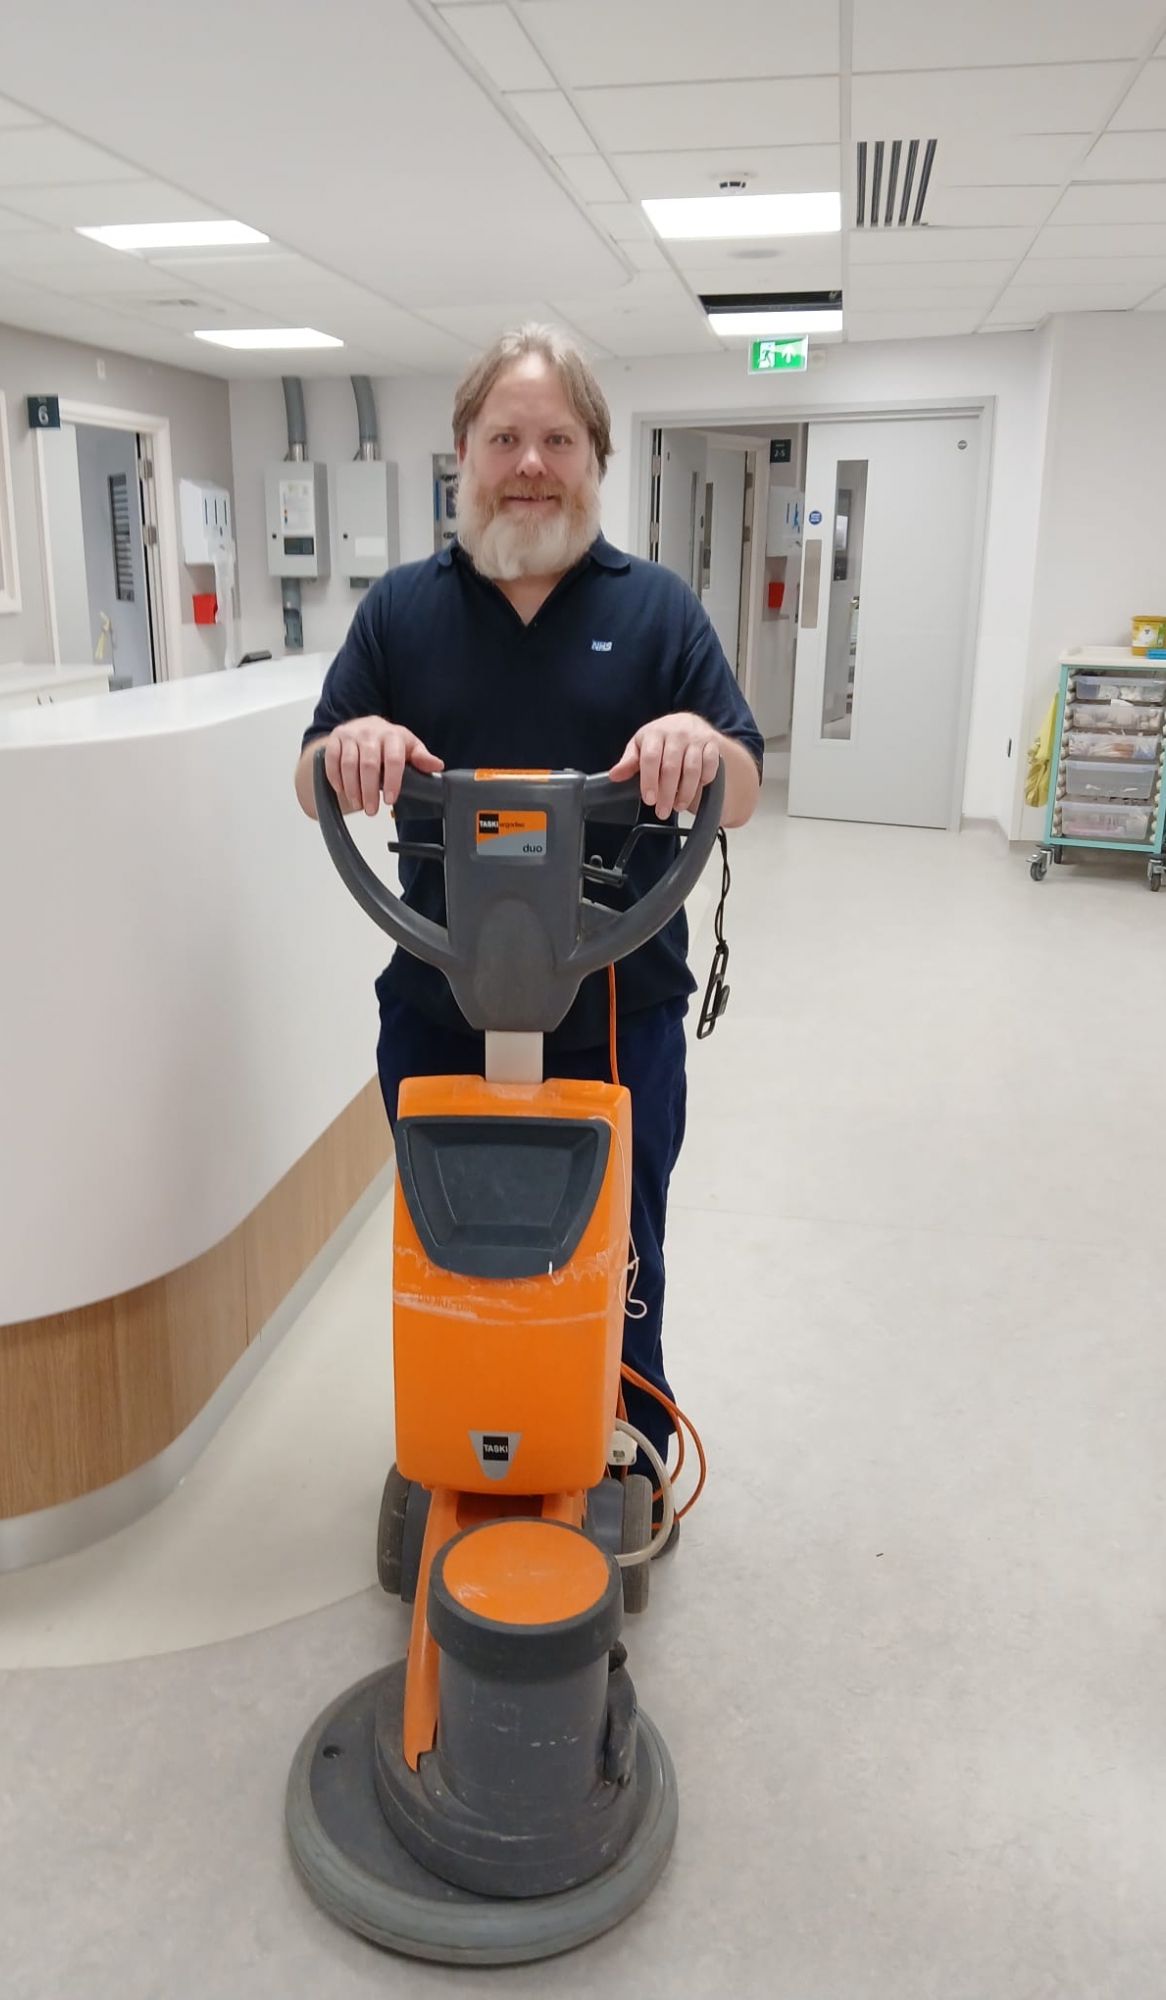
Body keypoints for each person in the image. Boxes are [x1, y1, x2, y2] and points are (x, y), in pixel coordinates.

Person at [296, 324, 763, 1522]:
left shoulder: (655, 609)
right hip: (441, 1000)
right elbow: (311, 778)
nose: (530, 462)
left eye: (558, 437)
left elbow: (745, 787)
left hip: (618, 1005)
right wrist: (349, 748)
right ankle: (469, 1423)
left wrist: (700, 744)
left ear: (595, 455)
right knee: (455, 1238)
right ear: (463, 452)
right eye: (504, 435)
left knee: (621, 1236)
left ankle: (629, 1441)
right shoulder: (402, 611)